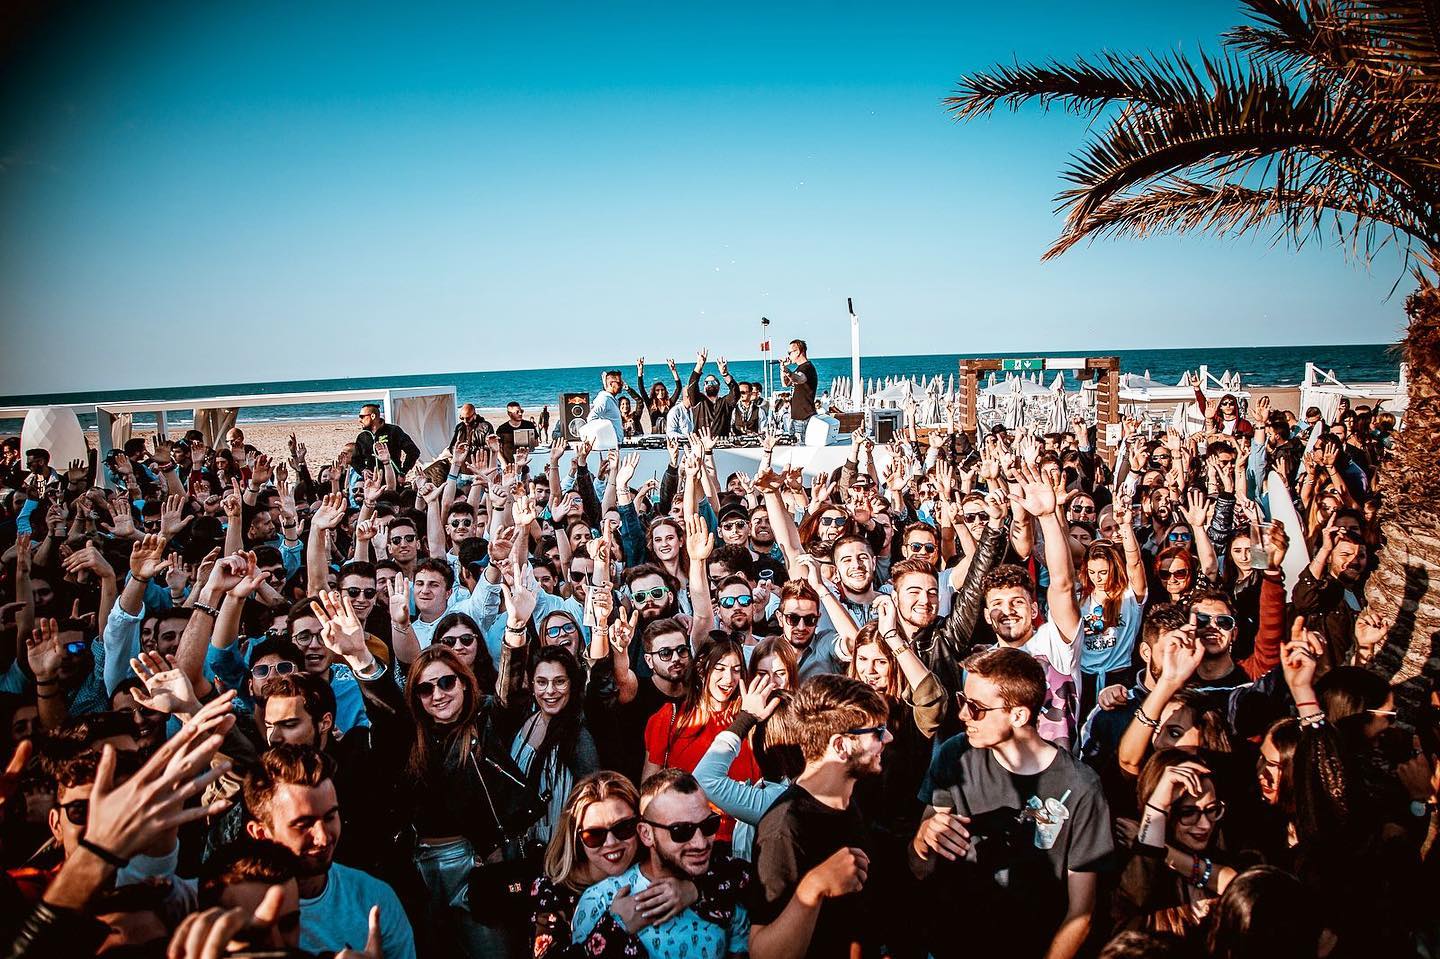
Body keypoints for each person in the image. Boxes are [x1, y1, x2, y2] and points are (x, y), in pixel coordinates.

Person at [911, 647, 1112, 959]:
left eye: (976, 708)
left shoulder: (1081, 786)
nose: (963, 714)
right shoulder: (955, 755)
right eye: (963, 701)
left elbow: (1081, 913)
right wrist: (923, 839)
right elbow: (920, 867)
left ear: (1019, 715)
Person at [750, 674, 888, 959]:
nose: (888, 738)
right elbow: (762, 952)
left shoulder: (852, 796)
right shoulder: (784, 827)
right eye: (877, 732)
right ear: (840, 746)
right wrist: (813, 888)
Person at [242, 744, 417, 959]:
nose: (323, 837)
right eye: (303, 824)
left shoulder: (375, 898)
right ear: (260, 833)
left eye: (330, 817)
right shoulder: (236, 910)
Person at [571, 770, 749, 959]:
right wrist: (617, 927)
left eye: (708, 825)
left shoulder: (726, 885)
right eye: (681, 831)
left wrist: (696, 890)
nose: (700, 843)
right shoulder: (599, 902)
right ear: (646, 834)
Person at [353, 403, 420, 476]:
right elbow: (355, 459)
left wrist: (403, 472)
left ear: (373, 416)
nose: (359, 420)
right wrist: (363, 470)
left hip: (393, 479)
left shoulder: (393, 431)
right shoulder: (362, 436)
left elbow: (413, 451)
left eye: (362, 417)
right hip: (372, 481)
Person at [780, 340, 817, 437]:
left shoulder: (807, 367)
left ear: (798, 351)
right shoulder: (800, 368)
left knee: (801, 448)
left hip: (804, 417)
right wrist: (782, 368)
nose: (788, 355)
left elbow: (800, 379)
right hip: (796, 416)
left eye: (789, 353)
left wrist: (787, 371)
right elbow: (785, 384)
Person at [587, 370, 627, 444]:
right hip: (609, 446)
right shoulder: (604, 399)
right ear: (611, 384)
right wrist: (606, 435)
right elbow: (591, 418)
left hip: (614, 444)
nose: (622, 385)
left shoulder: (611, 399)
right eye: (619, 383)